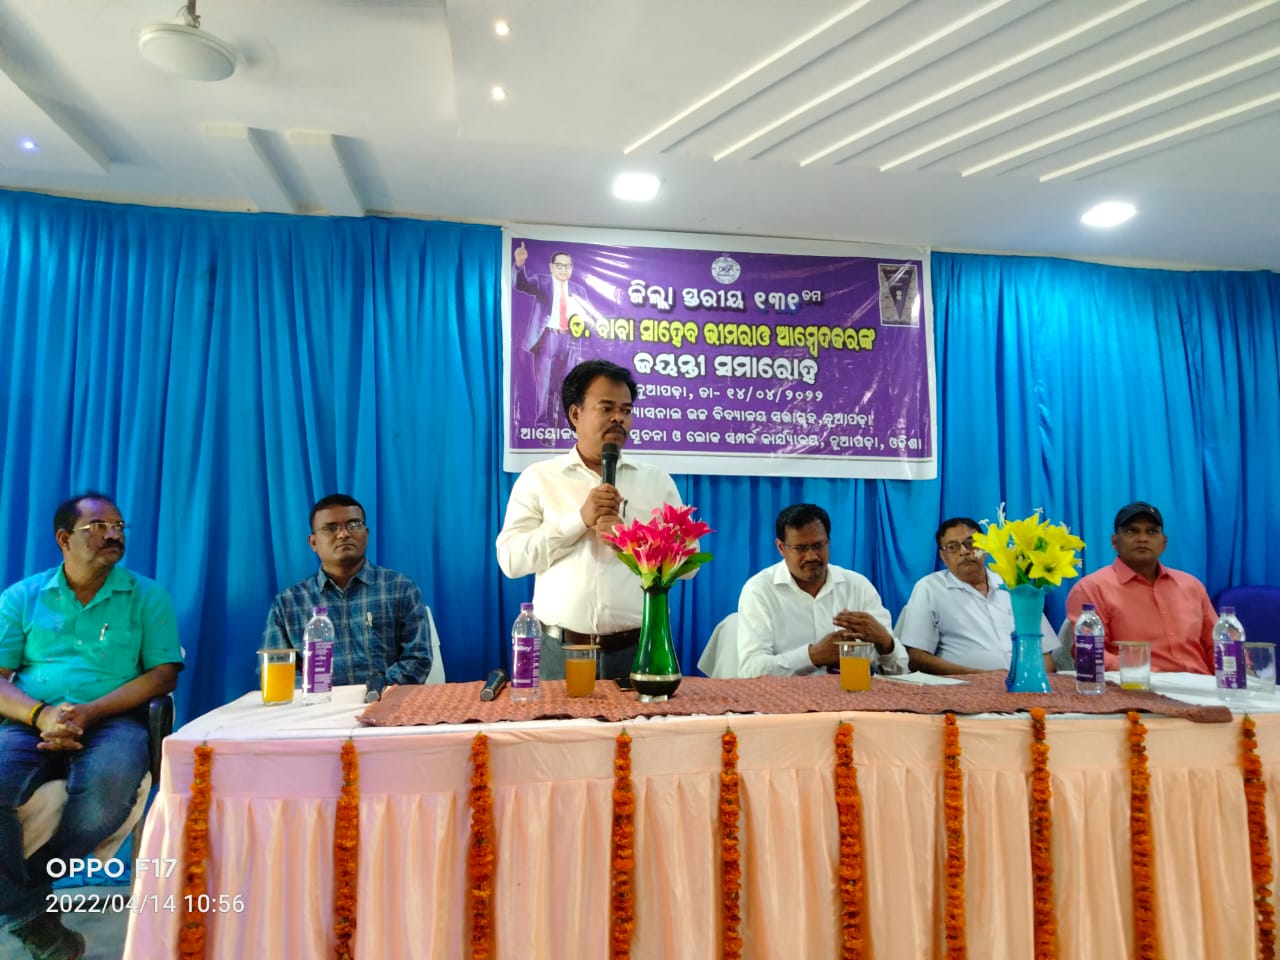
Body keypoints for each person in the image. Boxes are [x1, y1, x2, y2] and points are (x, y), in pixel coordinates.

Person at [0, 493, 183, 960]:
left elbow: (163, 673)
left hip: (113, 721)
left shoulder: (146, 596)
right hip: (32, 720)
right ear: (64, 539)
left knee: (105, 796)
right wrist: (42, 716)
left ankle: (23, 891)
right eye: (98, 526)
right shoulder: (22, 598)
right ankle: (29, 916)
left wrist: (89, 713)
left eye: (118, 526)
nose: (113, 534)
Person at [497, 359, 686, 682]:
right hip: (561, 650)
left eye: (626, 410)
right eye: (606, 408)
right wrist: (578, 521)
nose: (618, 418)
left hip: (638, 648)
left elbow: (688, 564)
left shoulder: (656, 482)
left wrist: (631, 541)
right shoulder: (539, 478)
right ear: (575, 414)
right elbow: (512, 561)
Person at [263, 494, 435, 688]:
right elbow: (277, 669)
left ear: (366, 534)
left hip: (387, 701)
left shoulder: (401, 589)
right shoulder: (288, 603)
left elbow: (418, 658)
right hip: (317, 704)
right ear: (313, 543)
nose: (343, 534)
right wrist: (319, 696)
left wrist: (379, 688)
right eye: (331, 528)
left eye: (354, 525)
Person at [736, 504, 907, 678]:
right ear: (781, 547)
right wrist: (813, 656)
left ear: (828, 542)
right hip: (786, 694)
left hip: (851, 691)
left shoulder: (857, 586)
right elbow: (750, 670)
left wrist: (885, 642)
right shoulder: (760, 590)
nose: (811, 556)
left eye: (818, 545)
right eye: (801, 548)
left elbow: (900, 671)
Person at [1065, 501, 1214, 673]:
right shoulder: (1091, 589)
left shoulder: (1191, 585)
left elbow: (1218, 645)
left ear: (1163, 542)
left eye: (1152, 532)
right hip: (1136, 685)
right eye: (1131, 531)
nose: (1143, 538)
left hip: (1202, 684)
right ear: (1114, 541)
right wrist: (1146, 673)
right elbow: (1089, 653)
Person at [897, 517, 1059, 674]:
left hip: (1025, 684)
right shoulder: (930, 588)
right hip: (964, 686)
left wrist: (1032, 680)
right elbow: (916, 657)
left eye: (971, 543)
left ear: (985, 547)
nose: (964, 551)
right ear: (943, 556)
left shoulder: (1014, 585)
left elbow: (1045, 655)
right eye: (952, 547)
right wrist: (981, 676)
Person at [512, 244, 602, 431]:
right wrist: (519, 265)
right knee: (545, 385)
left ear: (572, 268)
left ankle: (564, 424)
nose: (563, 269)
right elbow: (521, 284)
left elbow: (588, 318)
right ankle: (543, 425)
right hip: (547, 337)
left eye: (567, 266)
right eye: (559, 265)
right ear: (551, 267)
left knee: (568, 384)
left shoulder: (578, 290)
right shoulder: (541, 282)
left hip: (570, 340)